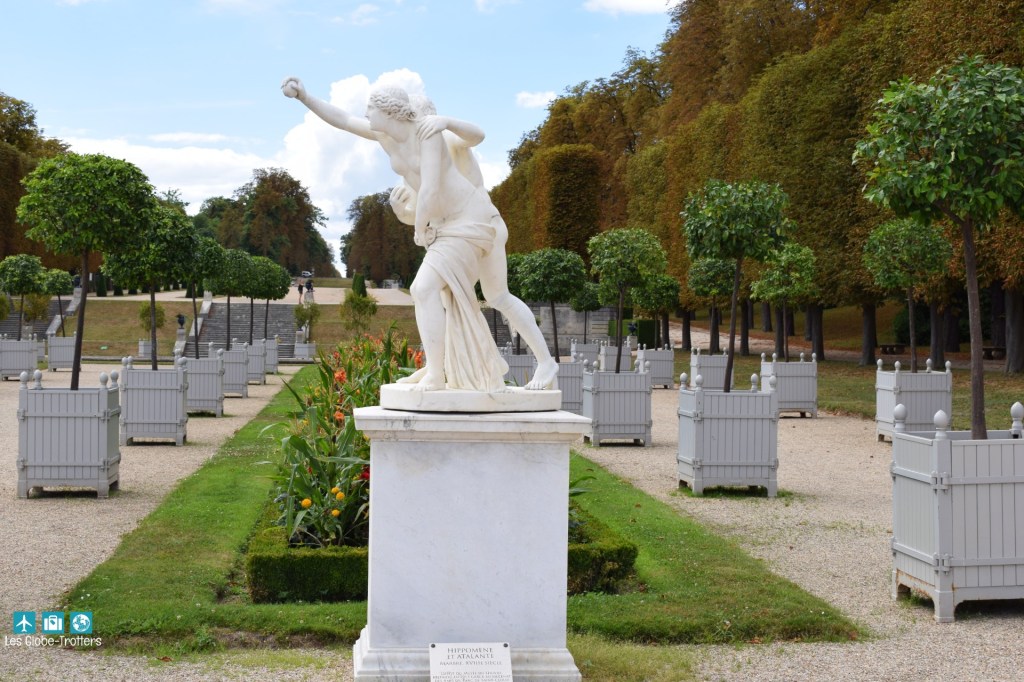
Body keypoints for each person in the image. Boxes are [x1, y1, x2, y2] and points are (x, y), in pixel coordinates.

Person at [282, 76, 558, 392]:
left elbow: (432, 188)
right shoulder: (386, 136)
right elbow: (344, 120)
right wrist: (305, 97)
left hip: (473, 220)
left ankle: (442, 372)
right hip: (450, 224)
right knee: (469, 295)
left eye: (371, 107)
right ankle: (446, 368)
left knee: (431, 290)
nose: (366, 113)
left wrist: (419, 228)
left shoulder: (431, 134)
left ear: (391, 111)